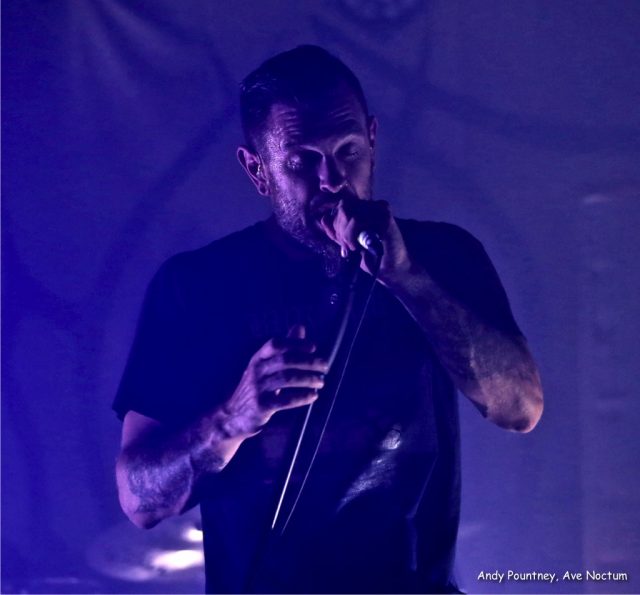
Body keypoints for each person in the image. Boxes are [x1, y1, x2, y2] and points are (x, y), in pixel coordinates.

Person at [114, 45, 543, 594]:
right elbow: (140, 500)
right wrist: (234, 418)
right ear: (257, 170)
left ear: (373, 140)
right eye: (302, 162)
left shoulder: (443, 256)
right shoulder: (197, 287)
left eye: (349, 151)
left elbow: (520, 408)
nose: (333, 180)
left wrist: (408, 279)